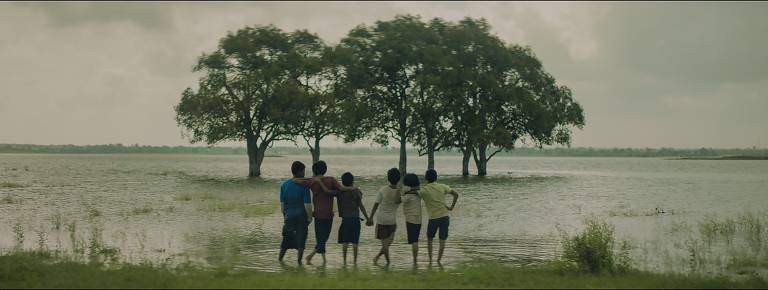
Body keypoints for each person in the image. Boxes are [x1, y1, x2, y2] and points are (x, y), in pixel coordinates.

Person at [419, 169, 459, 264]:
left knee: (430, 239)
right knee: (442, 240)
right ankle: (438, 261)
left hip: (433, 218)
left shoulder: (424, 190)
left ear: (426, 178)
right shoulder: (442, 186)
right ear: (436, 177)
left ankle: (430, 260)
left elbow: (414, 195)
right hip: (445, 216)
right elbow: (456, 194)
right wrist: (451, 207)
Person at [278, 161, 313, 265]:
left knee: (286, 240)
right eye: (303, 171)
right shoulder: (304, 186)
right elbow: (307, 204)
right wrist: (310, 218)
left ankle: (280, 260)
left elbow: (282, 205)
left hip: (289, 216)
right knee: (301, 241)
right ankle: (299, 263)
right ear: (299, 171)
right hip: (301, 217)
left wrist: (285, 216)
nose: (304, 173)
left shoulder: (284, 185)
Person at [367, 168, 402, 265]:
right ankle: (387, 263)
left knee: (386, 244)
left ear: (388, 178)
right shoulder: (400, 192)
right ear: (398, 179)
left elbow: (376, 204)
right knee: (387, 244)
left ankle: (380, 259)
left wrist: (370, 217)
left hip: (382, 220)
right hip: (391, 221)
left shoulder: (383, 189)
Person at [336, 172, 371, 265]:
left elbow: (334, 189)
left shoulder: (340, 192)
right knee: (355, 242)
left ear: (343, 182)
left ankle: (344, 262)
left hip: (346, 219)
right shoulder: (356, 192)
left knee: (345, 242)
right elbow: (361, 206)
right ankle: (355, 262)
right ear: (352, 181)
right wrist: (368, 218)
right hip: (355, 219)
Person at [401, 173, 423, 265]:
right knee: (415, 240)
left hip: (411, 219)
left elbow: (399, 200)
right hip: (419, 218)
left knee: (414, 241)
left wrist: (402, 193)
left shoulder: (408, 194)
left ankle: (415, 261)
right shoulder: (418, 192)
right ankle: (415, 260)